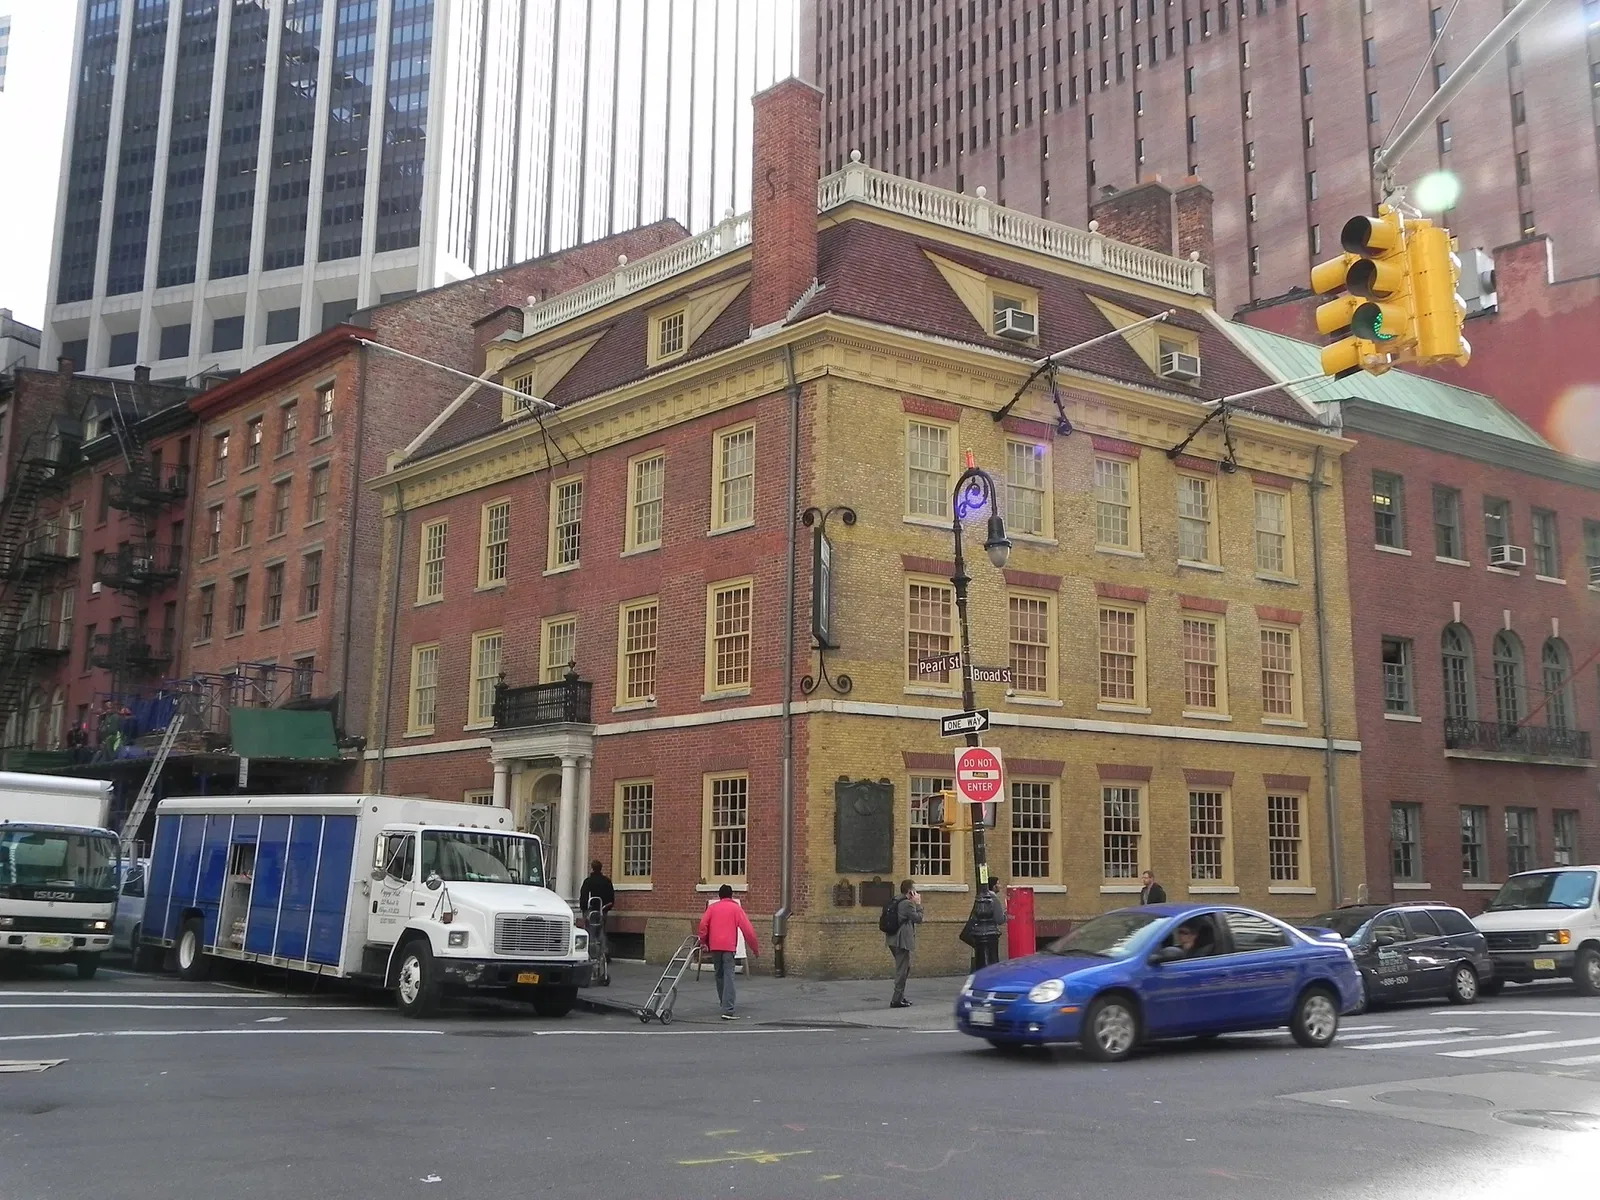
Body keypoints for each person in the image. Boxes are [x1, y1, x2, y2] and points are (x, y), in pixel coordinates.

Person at [697, 884, 759, 1021]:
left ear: (719, 896)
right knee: (729, 976)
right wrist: (755, 949)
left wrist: (703, 942)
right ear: (731, 895)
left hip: (715, 946)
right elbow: (748, 930)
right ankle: (728, 1009)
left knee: (719, 975)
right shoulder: (736, 909)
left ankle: (722, 1002)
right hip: (729, 947)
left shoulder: (712, 908)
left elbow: (703, 925)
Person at [886, 878, 924, 1008]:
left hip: (892, 939)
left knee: (905, 968)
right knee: (902, 970)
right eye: (915, 890)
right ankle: (896, 1000)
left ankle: (900, 997)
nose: (917, 893)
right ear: (910, 891)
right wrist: (918, 904)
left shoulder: (897, 899)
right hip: (901, 941)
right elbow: (918, 919)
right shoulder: (908, 904)